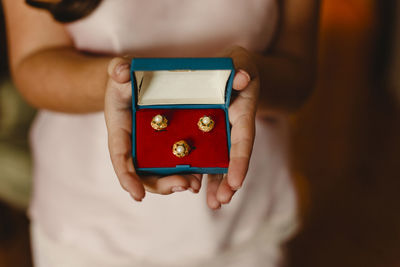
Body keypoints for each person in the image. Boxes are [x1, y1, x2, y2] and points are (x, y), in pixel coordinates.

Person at [3, 0, 320, 266]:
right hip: (88, 221)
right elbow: (32, 61)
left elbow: (298, 72)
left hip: (244, 216)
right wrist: (118, 85)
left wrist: (244, 80)